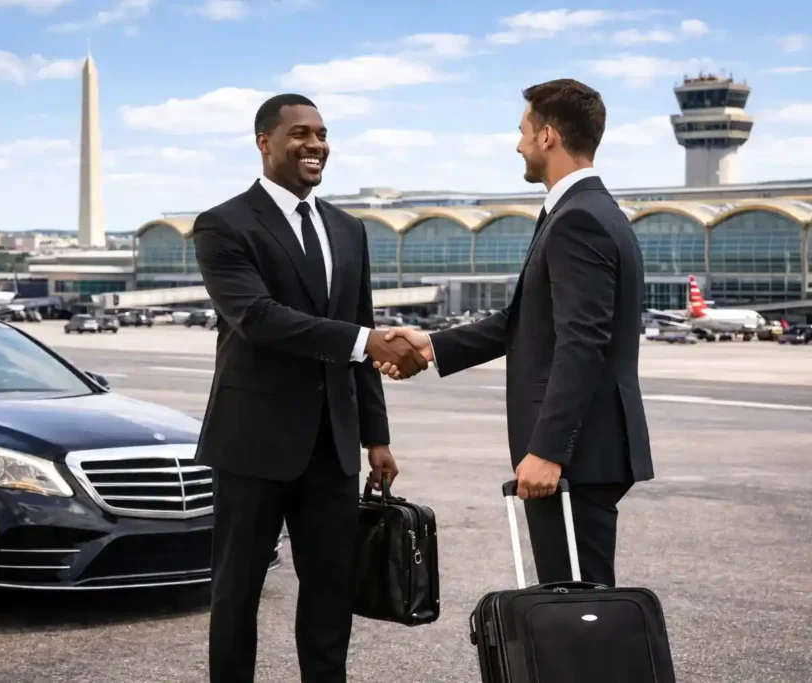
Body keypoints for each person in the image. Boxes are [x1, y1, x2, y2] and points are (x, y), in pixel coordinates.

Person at [376, 79, 653, 588]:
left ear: (548, 137)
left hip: (576, 457)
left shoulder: (579, 219)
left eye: (523, 131)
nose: (518, 144)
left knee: (577, 615)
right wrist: (432, 345)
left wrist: (548, 451)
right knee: (573, 604)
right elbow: (524, 322)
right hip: (587, 451)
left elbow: (582, 342)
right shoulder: (583, 211)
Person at [191, 93, 427, 683]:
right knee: (237, 596)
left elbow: (360, 326)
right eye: (300, 133)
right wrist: (366, 341)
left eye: (322, 133)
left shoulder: (349, 230)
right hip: (252, 447)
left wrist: (376, 437)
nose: (315, 144)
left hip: (332, 449)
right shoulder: (223, 224)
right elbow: (259, 318)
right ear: (264, 142)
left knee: (329, 598)